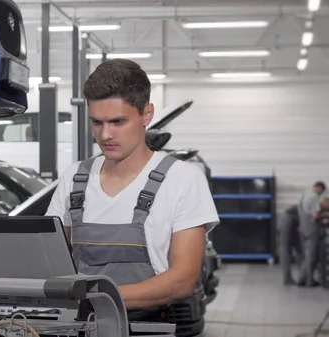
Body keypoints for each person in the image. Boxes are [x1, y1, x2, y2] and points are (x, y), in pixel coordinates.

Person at [45, 59, 219, 321]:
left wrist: (97, 295)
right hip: (79, 326)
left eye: (117, 122)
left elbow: (183, 279)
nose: (105, 135)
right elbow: (49, 256)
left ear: (146, 114)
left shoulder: (182, 179)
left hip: (148, 326)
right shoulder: (75, 177)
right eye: (97, 122)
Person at [297, 181, 326, 287]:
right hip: (311, 229)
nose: (321, 194)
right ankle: (308, 280)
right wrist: (326, 216)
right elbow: (315, 215)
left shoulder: (304, 194)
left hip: (302, 228)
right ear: (318, 188)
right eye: (321, 191)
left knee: (307, 255)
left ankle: (302, 278)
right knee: (311, 256)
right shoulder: (314, 197)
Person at [278, 204, 302, 285]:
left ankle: (303, 276)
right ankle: (287, 277)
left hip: (290, 221)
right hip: (287, 219)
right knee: (286, 249)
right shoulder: (315, 203)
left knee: (299, 249)